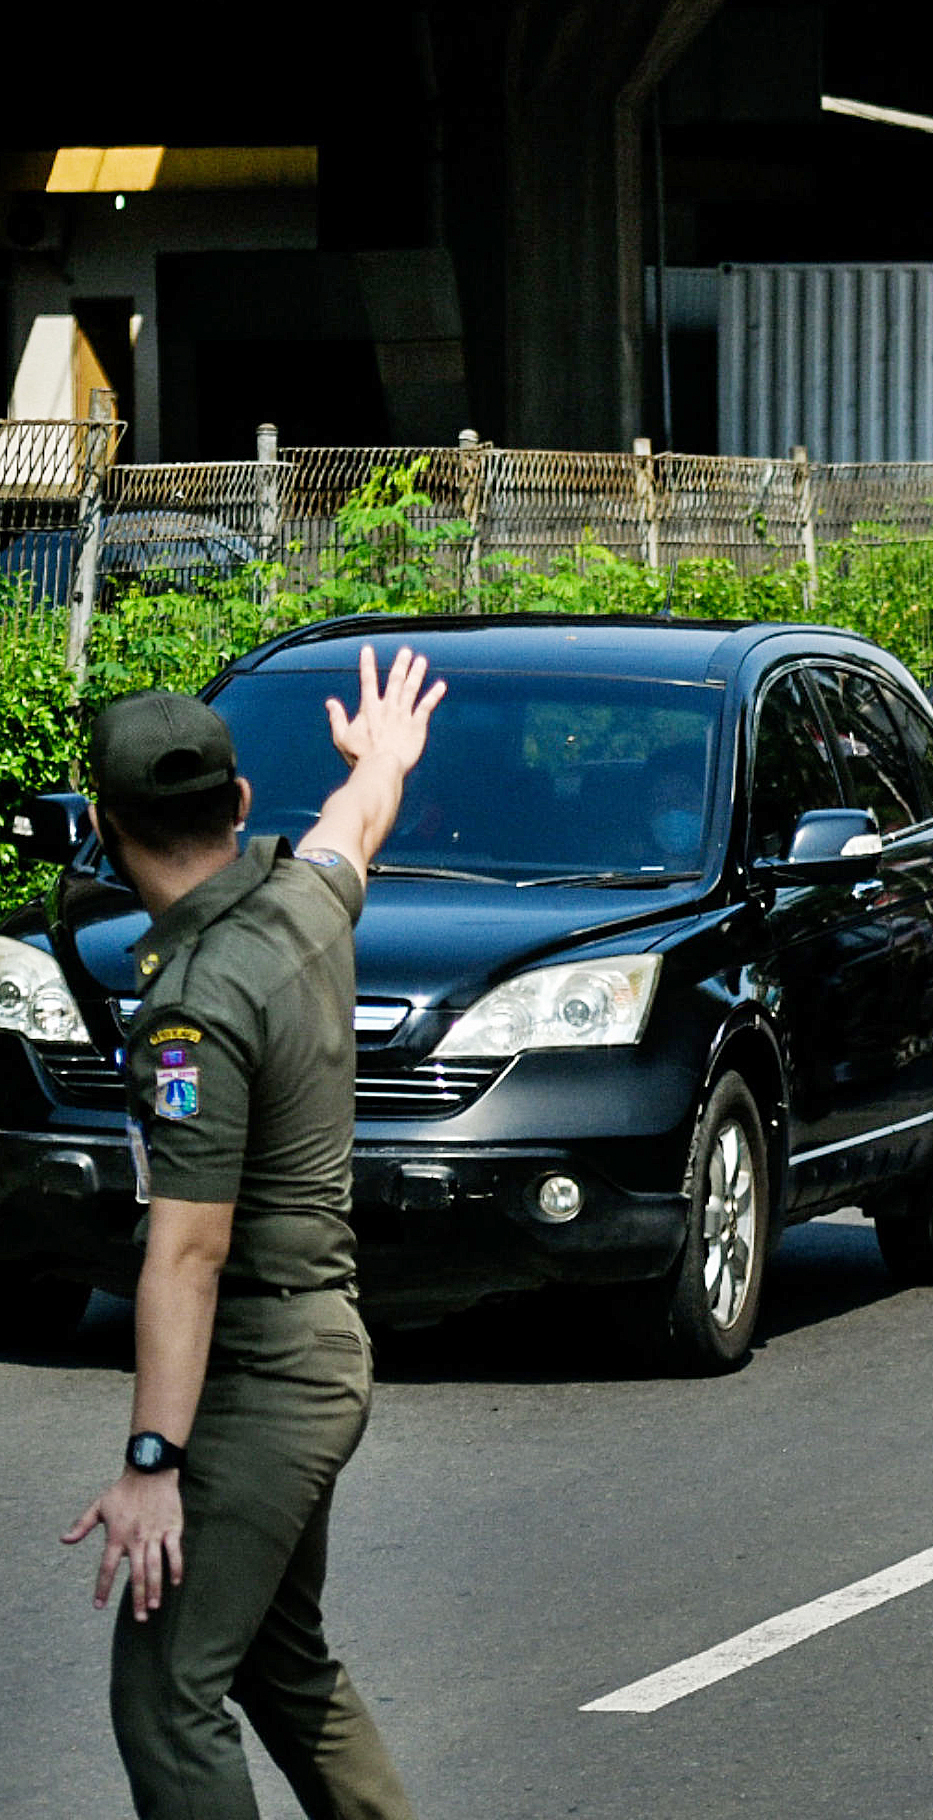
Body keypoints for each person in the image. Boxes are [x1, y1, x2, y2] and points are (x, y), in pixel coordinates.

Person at [61, 649, 443, 1820]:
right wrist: (379, 757)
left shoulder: (191, 1008)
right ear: (236, 801)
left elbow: (188, 1250)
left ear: (105, 828)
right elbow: (350, 825)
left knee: (167, 1697)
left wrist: (150, 1464)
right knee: (279, 1661)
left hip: (263, 1375)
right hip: (320, 1350)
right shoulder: (303, 900)